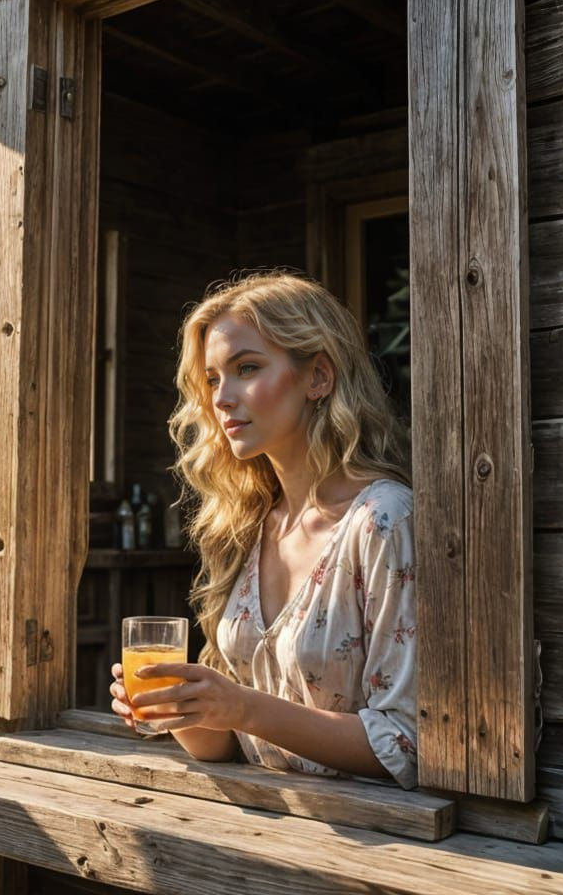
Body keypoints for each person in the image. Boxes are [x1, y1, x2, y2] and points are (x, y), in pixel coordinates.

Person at [109, 269, 419, 789]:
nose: (221, 398)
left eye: (246, 368)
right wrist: (183, 708)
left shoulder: (383, 520)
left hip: (372, 828)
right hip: (261, 820)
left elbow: (404, 746)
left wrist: (242, 707)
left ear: (318, 377)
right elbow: (225, 743)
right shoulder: (249, 524)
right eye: (212, 379)